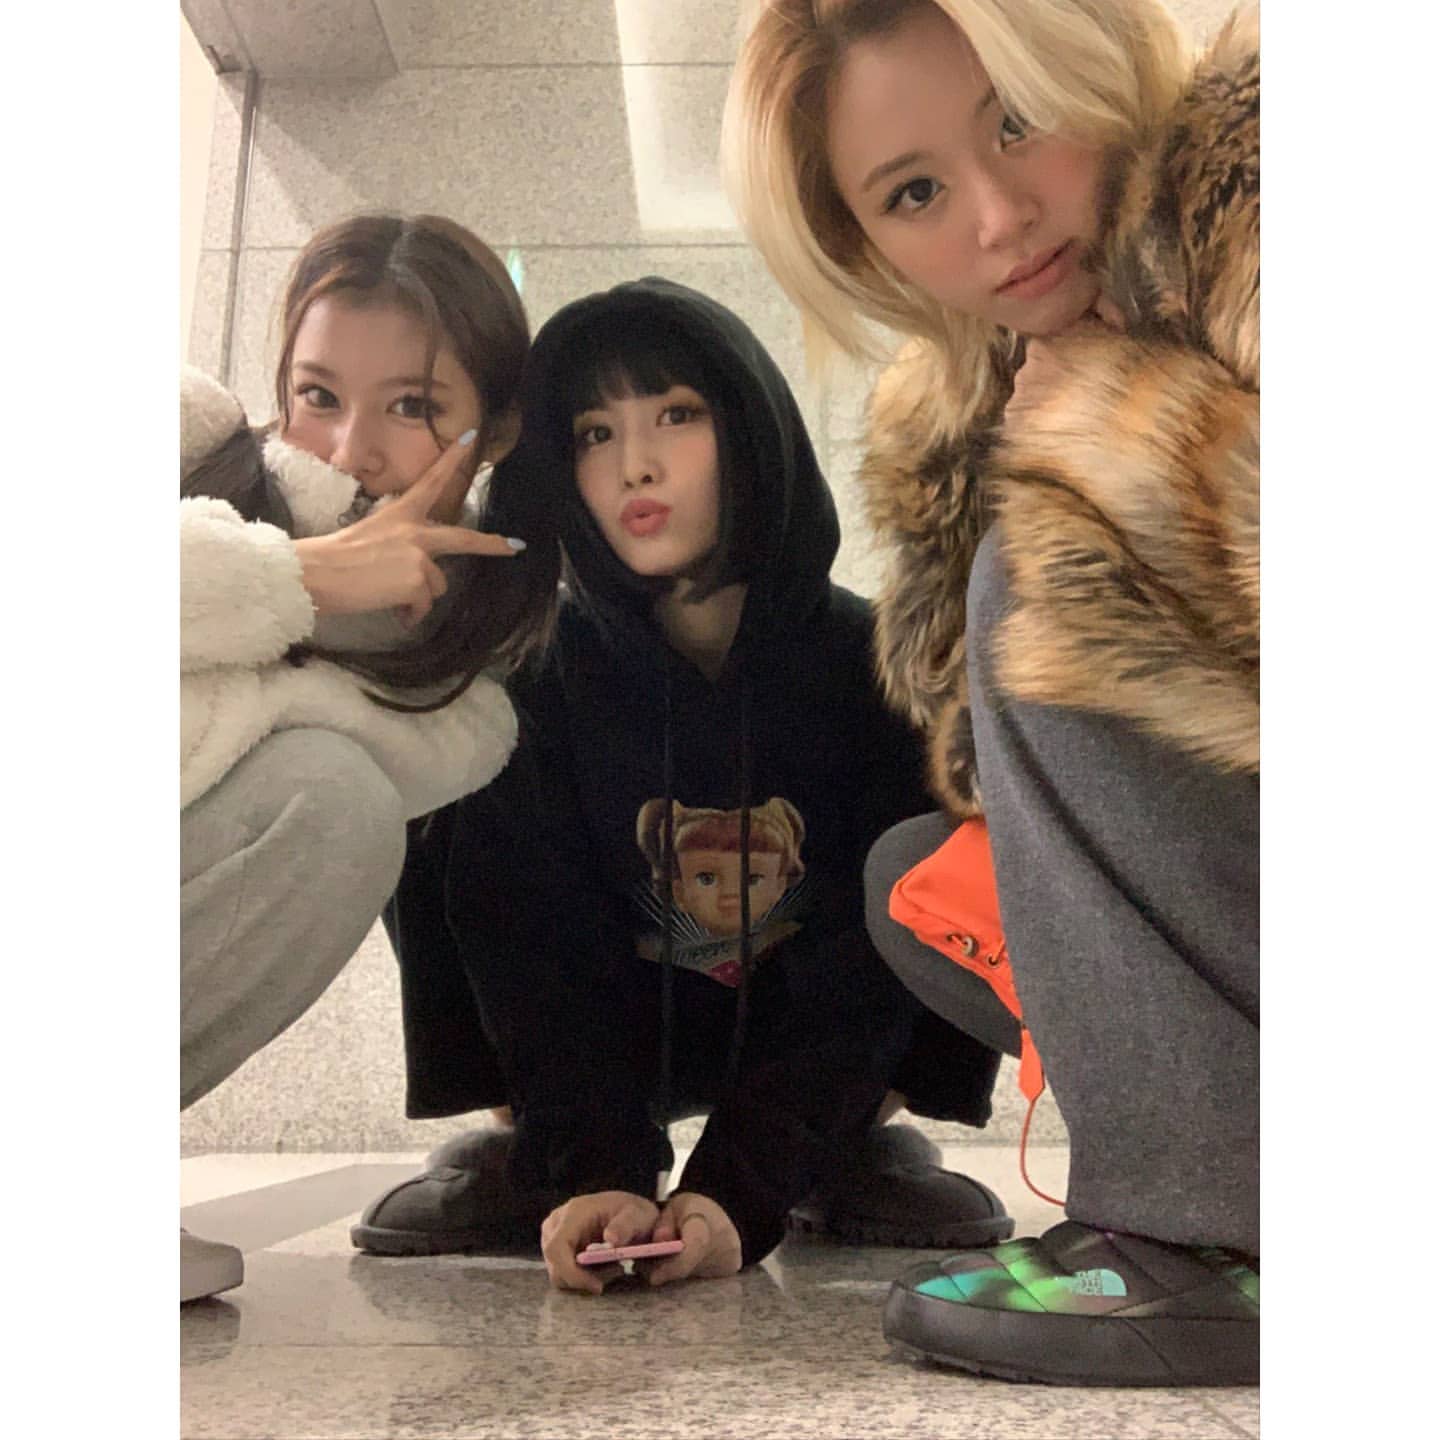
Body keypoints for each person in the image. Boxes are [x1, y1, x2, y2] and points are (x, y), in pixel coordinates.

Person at [724, 0, 1259, 1386]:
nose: (1000, 215)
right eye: (914, 193)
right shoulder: (968, 396)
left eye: (1018, 120)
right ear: (864, 246)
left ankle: (1212, 1232)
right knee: (920, 880)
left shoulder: (1269, 202)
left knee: (1046, 555)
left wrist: (1124, 433)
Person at [351, 276, 1018, 1291]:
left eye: (675, 414)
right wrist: (597, 1172)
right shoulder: (539, 678)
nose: (636, 464)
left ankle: (844, 1147)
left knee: (944, 838)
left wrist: (739, 1193)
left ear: (749, 425)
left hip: (812, 1040)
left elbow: (859, 974)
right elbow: (535, 950)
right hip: (612, 1036)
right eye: (594, 433)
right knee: (431, 767)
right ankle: (539, 1151)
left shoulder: (871, 663)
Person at [180, 213, 556, 1304]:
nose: (349, 450)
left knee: (337, 804)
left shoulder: (475, 643)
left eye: (413, 407)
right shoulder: (183, 435)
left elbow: (419, 755)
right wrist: (299, 577)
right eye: (318, 394)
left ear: (495, 432)